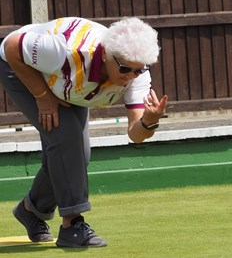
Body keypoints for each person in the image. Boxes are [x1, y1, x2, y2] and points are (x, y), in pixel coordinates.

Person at [0, 17, 168, 247]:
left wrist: (149, 122)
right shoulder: (67, 51)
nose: (130, 76)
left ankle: (32, 210)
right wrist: (43, 97)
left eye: (138, 70)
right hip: (22, 64)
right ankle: (72, 225)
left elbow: (135, 134)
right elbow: (12, 47)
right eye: (125, 68)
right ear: (107, 53)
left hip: (70, 84)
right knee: (67, 138)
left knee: (79, 155)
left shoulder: (137, 73)